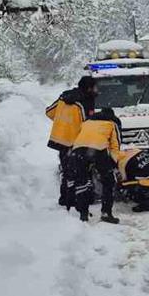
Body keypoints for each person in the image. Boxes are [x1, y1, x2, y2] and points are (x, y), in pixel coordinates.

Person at [45, 76, 98, 209]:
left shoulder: (64, 97)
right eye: (95, 87)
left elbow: (49, 112)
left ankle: (65, 198)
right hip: (76, 142)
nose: (97, 90)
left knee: (67, 171)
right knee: (81, 172)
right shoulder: (85, 101)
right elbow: (88, 124)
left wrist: (64, 124)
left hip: (60, 141)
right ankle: (80, 200)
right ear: (89, 88)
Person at [68, 107, 122, 224]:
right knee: (108, 181)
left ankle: (83, 213)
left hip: (78, 150)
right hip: (98, 150)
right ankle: (106, 213)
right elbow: (115, 145)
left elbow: (77, 137)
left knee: (82, 182)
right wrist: (113, 163)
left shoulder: (87, 122)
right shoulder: (112, 124)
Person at [117, 148, 149, 212]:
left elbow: (124, 178)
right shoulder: (137, 151)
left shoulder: (121, 162)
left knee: (127, 184)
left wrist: (119, 185)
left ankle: (145, 205)